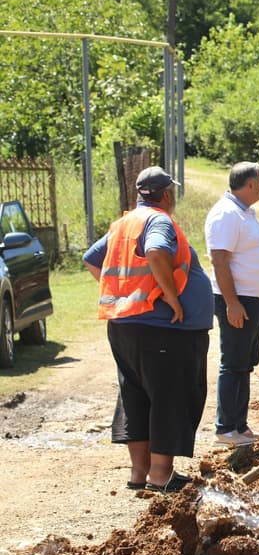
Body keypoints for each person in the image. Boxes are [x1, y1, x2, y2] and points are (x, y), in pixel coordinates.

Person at [83, 166, 213, 493]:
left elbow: (90, 259)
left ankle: (139, 473)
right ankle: (161, 475)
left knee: (136, 396)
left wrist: (126, 294)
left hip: (125, 325)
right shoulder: (159, 221)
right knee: (170, 396)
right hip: (162, 330)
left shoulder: (124, 224)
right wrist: (170, 297)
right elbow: (156, 252)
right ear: (166, 194)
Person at [204, 162, 259, 447]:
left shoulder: (244, 213)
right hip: (237, 300)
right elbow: (219, 260)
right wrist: (232, 303)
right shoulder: (226, 214)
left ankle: (239, 425)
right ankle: (225, 428)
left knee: (244, 364)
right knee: (233, 363)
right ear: (249, 184)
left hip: (251, 300)